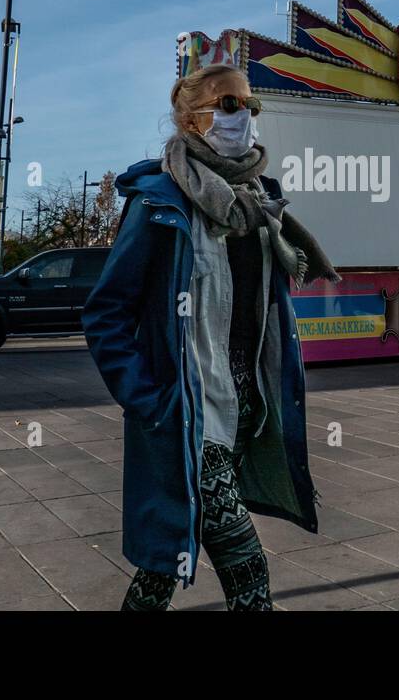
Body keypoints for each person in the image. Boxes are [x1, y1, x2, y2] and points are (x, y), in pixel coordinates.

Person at [81, 62, 338, 611]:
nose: (241, 116)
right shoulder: (159, 201)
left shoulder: (260, 203)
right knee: (249, 574)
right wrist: (147, 400)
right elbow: (106, 311)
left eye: (249, 104)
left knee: (162, 570)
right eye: (227, 104)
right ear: (191, 117)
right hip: (189, 416)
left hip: (247, 410)